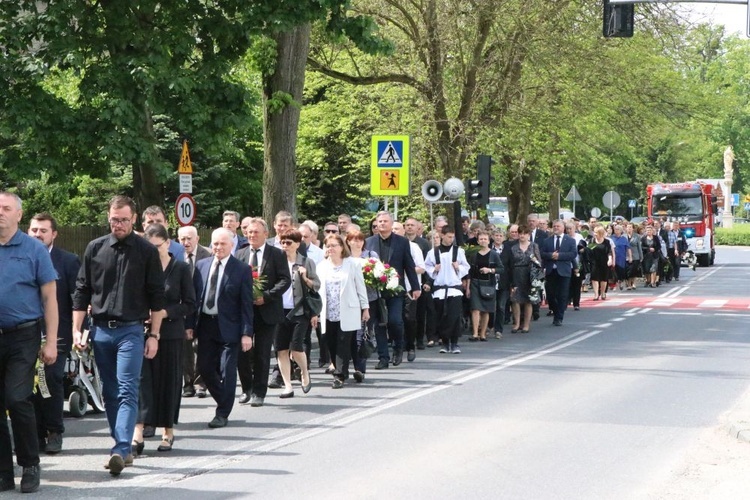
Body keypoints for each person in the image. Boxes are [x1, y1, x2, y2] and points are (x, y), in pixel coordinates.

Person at [73, 195, 166, 476]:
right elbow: (82, 291)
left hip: (131, 331)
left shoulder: (146, 252)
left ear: (134, 218)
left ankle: (121, 448)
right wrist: (77, 329)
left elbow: (157, 297)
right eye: (115, 220)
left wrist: (154, 335)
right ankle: (121, 445)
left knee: (127, 388)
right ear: (108, 218)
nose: (119, 224)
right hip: (100, 330)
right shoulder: (95, 248)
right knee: (110, 392)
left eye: (124, 220)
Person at [0, 193, 59, 493]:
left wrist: (50, 342)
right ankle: (3, 472)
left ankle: (30, 464)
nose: (1, 213)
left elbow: (50, 297)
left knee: (16, 398)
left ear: (19, 215)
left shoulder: (34, 249)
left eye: (6, 208)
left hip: (24, 334)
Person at [132, 224, 195, 454]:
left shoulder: (180, 268)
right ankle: (138, 431)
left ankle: (167, 430)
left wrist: (164, 313)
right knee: (142, 382)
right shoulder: (141, 268)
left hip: (170, 334)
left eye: (157, 246)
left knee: (168, 382)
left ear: (168, 244)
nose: (152, 251)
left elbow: (189, 303)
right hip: (143, 332)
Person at [28, 213, 80, 455]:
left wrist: (77, 330)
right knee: (28, 385)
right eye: (34, 230)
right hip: (24, 333)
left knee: (50, 380)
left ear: (54, 234)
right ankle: (34, 434)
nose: (38, 235)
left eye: (43, 231)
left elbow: (76, 300)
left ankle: (54, 431)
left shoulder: (68, 261)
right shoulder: (20, 257)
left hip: (56, 335)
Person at [194, 228, 254, 428]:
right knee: (204, 368)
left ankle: (222, 413)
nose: (218, 247)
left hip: (230, 328)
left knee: (228, 371)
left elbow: (246, 304)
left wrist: (247, 333)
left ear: (231, 245)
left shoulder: (241, 269)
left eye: (223, 244)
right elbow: (195, 299)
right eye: (215, 244)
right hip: (206, 325)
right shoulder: (201, 266)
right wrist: (189, 326)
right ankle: (224, 399)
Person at [235, 218, 291, 407]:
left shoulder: (276, 254)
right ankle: (246, 388)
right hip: (244, 311)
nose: (252, 235)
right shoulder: (240, 254)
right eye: (249, 232)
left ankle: (259, 391)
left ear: (266, 234)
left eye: (256, 232)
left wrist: (266, 296)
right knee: (242, 352)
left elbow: (285, 280)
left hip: (267, 311)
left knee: (262, 352)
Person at [365, 211, 420, 369]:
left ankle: (398, 348)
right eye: (379, 221)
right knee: (379, 324)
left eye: (385, 221)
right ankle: (383, 358)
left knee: (395, 321)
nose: (382, 224)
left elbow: (408, 265)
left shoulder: (402, 242)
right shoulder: (369, 242)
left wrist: (415, 287)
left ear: (391, 223)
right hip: (375, 289)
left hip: (395, 288)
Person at [317, 233, 370, 388]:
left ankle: (340, 374)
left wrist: (365, 308)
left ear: (342, 247)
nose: (331, 248)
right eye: (328, 246)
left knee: (343, 343)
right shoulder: (322, 266)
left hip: (348, 310)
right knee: (331, 342)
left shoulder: (352, 264)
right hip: (328, 311)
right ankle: (341, 368)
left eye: (334, 245)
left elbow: (361, 287)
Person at [275, 229, 319, 397]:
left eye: (289, 242)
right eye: (283, 242)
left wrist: (305, 277)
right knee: (281, 349)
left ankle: (304, 372)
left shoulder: (306, 262)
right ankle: (287, 385)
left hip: (300, 311)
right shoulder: (277, 262)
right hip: (279, 311)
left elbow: (316, 286)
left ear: (297, 244)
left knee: (296, 347)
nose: (285, 245)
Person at [177, 225, 211, 398]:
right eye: (182, 239)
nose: (186, 242)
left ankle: (200, 383)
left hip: (202, 307)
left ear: (197, 239)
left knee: (202, 347)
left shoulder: (208, 255)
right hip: (183, 308)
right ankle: (188, 383)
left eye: (189, 238)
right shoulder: (175, 256)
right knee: (186, 347)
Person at [424, 226, 470, 353]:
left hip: (454, 289)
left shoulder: (458, 251)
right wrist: (434, 269)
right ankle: (445, 343)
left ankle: (454, 343)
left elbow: (466, 266)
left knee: (454, 316)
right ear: (442, 235)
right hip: (440, 289)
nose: (451, 239)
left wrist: (458, 268)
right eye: (449, 236)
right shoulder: (433, 252)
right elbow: (426, 266)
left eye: (452, 237)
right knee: (441, 316)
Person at [346, 230, 378, 381]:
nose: (357, 242)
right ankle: (344, 367)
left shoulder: (370, 256)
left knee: (362, 334)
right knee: (349, 336)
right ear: (348, 241)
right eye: (353, 239)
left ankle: (360, 369)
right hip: (348, 302)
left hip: (368, 300)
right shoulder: (344, 258)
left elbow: (380, 275)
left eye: (360, 240)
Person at [392, 221, 425, 362]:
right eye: (393, 228)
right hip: (392, 287)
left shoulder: (413, 246)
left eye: (397, 229)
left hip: (408, 287)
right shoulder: (388, 246)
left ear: (403, 231)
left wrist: (405, 271)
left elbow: (421, 268)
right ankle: (397, 346)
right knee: (394, 320)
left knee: (409, 319)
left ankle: (411, 345)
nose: (394, 231)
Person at [540, 220, 577, 326]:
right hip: (551, 271)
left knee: (562, 295)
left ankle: (559, 317)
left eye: (558, 226)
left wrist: (559, 256)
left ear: (563, 228)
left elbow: (573, 254)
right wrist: (551, 255)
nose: (556, 227)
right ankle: (556, 311)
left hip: (564, 271)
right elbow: (542, 253)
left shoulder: (570, 240)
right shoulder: (547, 241)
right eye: (554, 226)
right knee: (550, 295)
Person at [468, 231, 501, 341]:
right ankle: (475, 333)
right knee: (475, 309)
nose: (483, 241)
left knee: (486, 309)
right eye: (481, 239)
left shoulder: (494, 254)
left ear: (489, 240)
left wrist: (490, 270)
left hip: (488, 284)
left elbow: (502, 269)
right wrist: (467, 286)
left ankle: (483, 333)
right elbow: (469, 271)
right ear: (477, 241)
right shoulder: (473, 254)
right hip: (475, 283)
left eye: (485, 239)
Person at [508, 225, 541, 333]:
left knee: (528, 300)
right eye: (520, 233)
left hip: (529, 274)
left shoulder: (533, 246)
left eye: (524, 233)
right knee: (515, 300)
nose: (522, 235)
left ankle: (526, 324)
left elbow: (539, 262)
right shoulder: (513, 247)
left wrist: (536, 266)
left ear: (529, 235)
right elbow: (510, 263)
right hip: (516, 273)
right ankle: (517, 323)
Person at [589, 225, 615, 299]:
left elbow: (609, 252)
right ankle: (596, 294)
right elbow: (589, 251)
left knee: (604, 278)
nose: (594, 234)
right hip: (594, 262)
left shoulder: (606, 242)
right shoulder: (592, 241)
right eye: (594, 232)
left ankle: (603, 292)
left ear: (600, 233)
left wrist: (610, 259)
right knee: (594, 278)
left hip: (604, 261)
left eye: (596, 232)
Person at [611, 224, 632, 291]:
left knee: (621, 271)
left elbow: (628, 248)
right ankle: (616, 284)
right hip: (613, 257)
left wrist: (630, 257)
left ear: (621, 231)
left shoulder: (624, 239)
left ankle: (621, 282)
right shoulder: (611, 238)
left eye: (618, 229)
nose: (616, 231)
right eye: (615, 229)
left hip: (621, 258)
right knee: (614, 271)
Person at [625, 223, 643, 290]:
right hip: (626, 256)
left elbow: (639, 247)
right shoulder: (624, 236)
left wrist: (641, 256)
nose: (629, 228)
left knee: (634, 270)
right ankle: (629, 284)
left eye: (630, 227)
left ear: (633, 228)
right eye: (628, 227)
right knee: (628, 271)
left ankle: (634, 283)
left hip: (635, 256)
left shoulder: (637, 236)